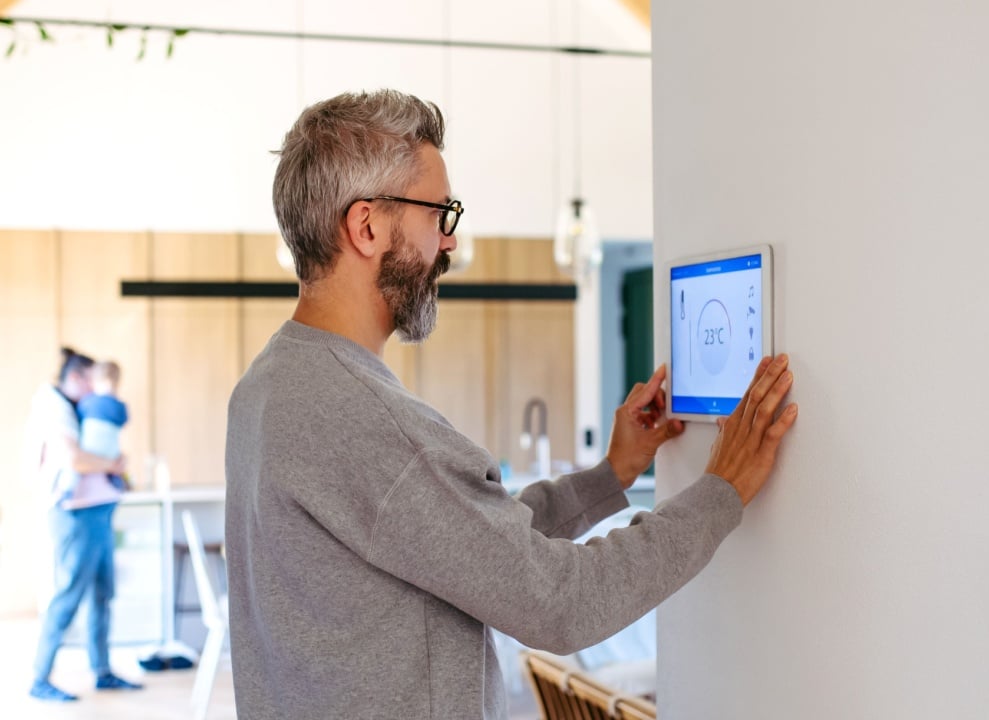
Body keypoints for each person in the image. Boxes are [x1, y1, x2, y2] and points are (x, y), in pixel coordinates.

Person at [224, 89, 799, 719]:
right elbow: (562, 602)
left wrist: (610, 475)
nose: (448, 243)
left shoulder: (268, 386)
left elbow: (468, 544)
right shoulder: (365, 420)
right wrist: (721, 491)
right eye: (440, 215)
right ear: (366, 227)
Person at [27, 348, 142, 702]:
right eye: (92, 382)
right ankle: (40, 678)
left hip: (98, 510)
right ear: (77, 378)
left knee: (101, 595)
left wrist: (113, 465)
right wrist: (112, 464)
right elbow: (75, 459)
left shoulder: (79, 407)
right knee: (68, 596)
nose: (97, 390)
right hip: (76, 515)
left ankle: (102, 671)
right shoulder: (53, 407)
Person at [66, 360, 131, 508]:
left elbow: (79, 416)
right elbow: (124, 420)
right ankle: (119, 483)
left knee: (75, 471)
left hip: (90, 448)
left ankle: (67, 491)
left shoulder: (87, 401)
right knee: (115, 468)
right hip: (111, 451)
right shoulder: (120, 406)